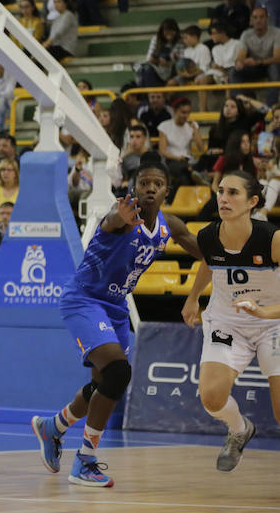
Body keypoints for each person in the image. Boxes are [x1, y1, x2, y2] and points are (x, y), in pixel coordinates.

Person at [31, 152, 201, 487]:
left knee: (103, 383)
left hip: (115, 307)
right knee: (119, 371)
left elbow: (205, 252)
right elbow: (111, 219)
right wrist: (120, 213)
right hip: (84, 299)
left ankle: (53, 427)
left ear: (168, 189)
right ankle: (85, 461)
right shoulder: (123, 215)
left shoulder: (171, 226)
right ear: (133, 186)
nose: (150, 189)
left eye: (158, 183)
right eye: (144, 183)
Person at [181, 171, 280, 472]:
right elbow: (209, 264)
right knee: (210, 396)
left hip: (272, 321)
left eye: (233, 193)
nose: (223, 198)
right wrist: (193, 296)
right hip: (228, 321)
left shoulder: (272, 239)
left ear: (252, 202)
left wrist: (264, 313)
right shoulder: (208, 236)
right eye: (221, 191)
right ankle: (239, 429)